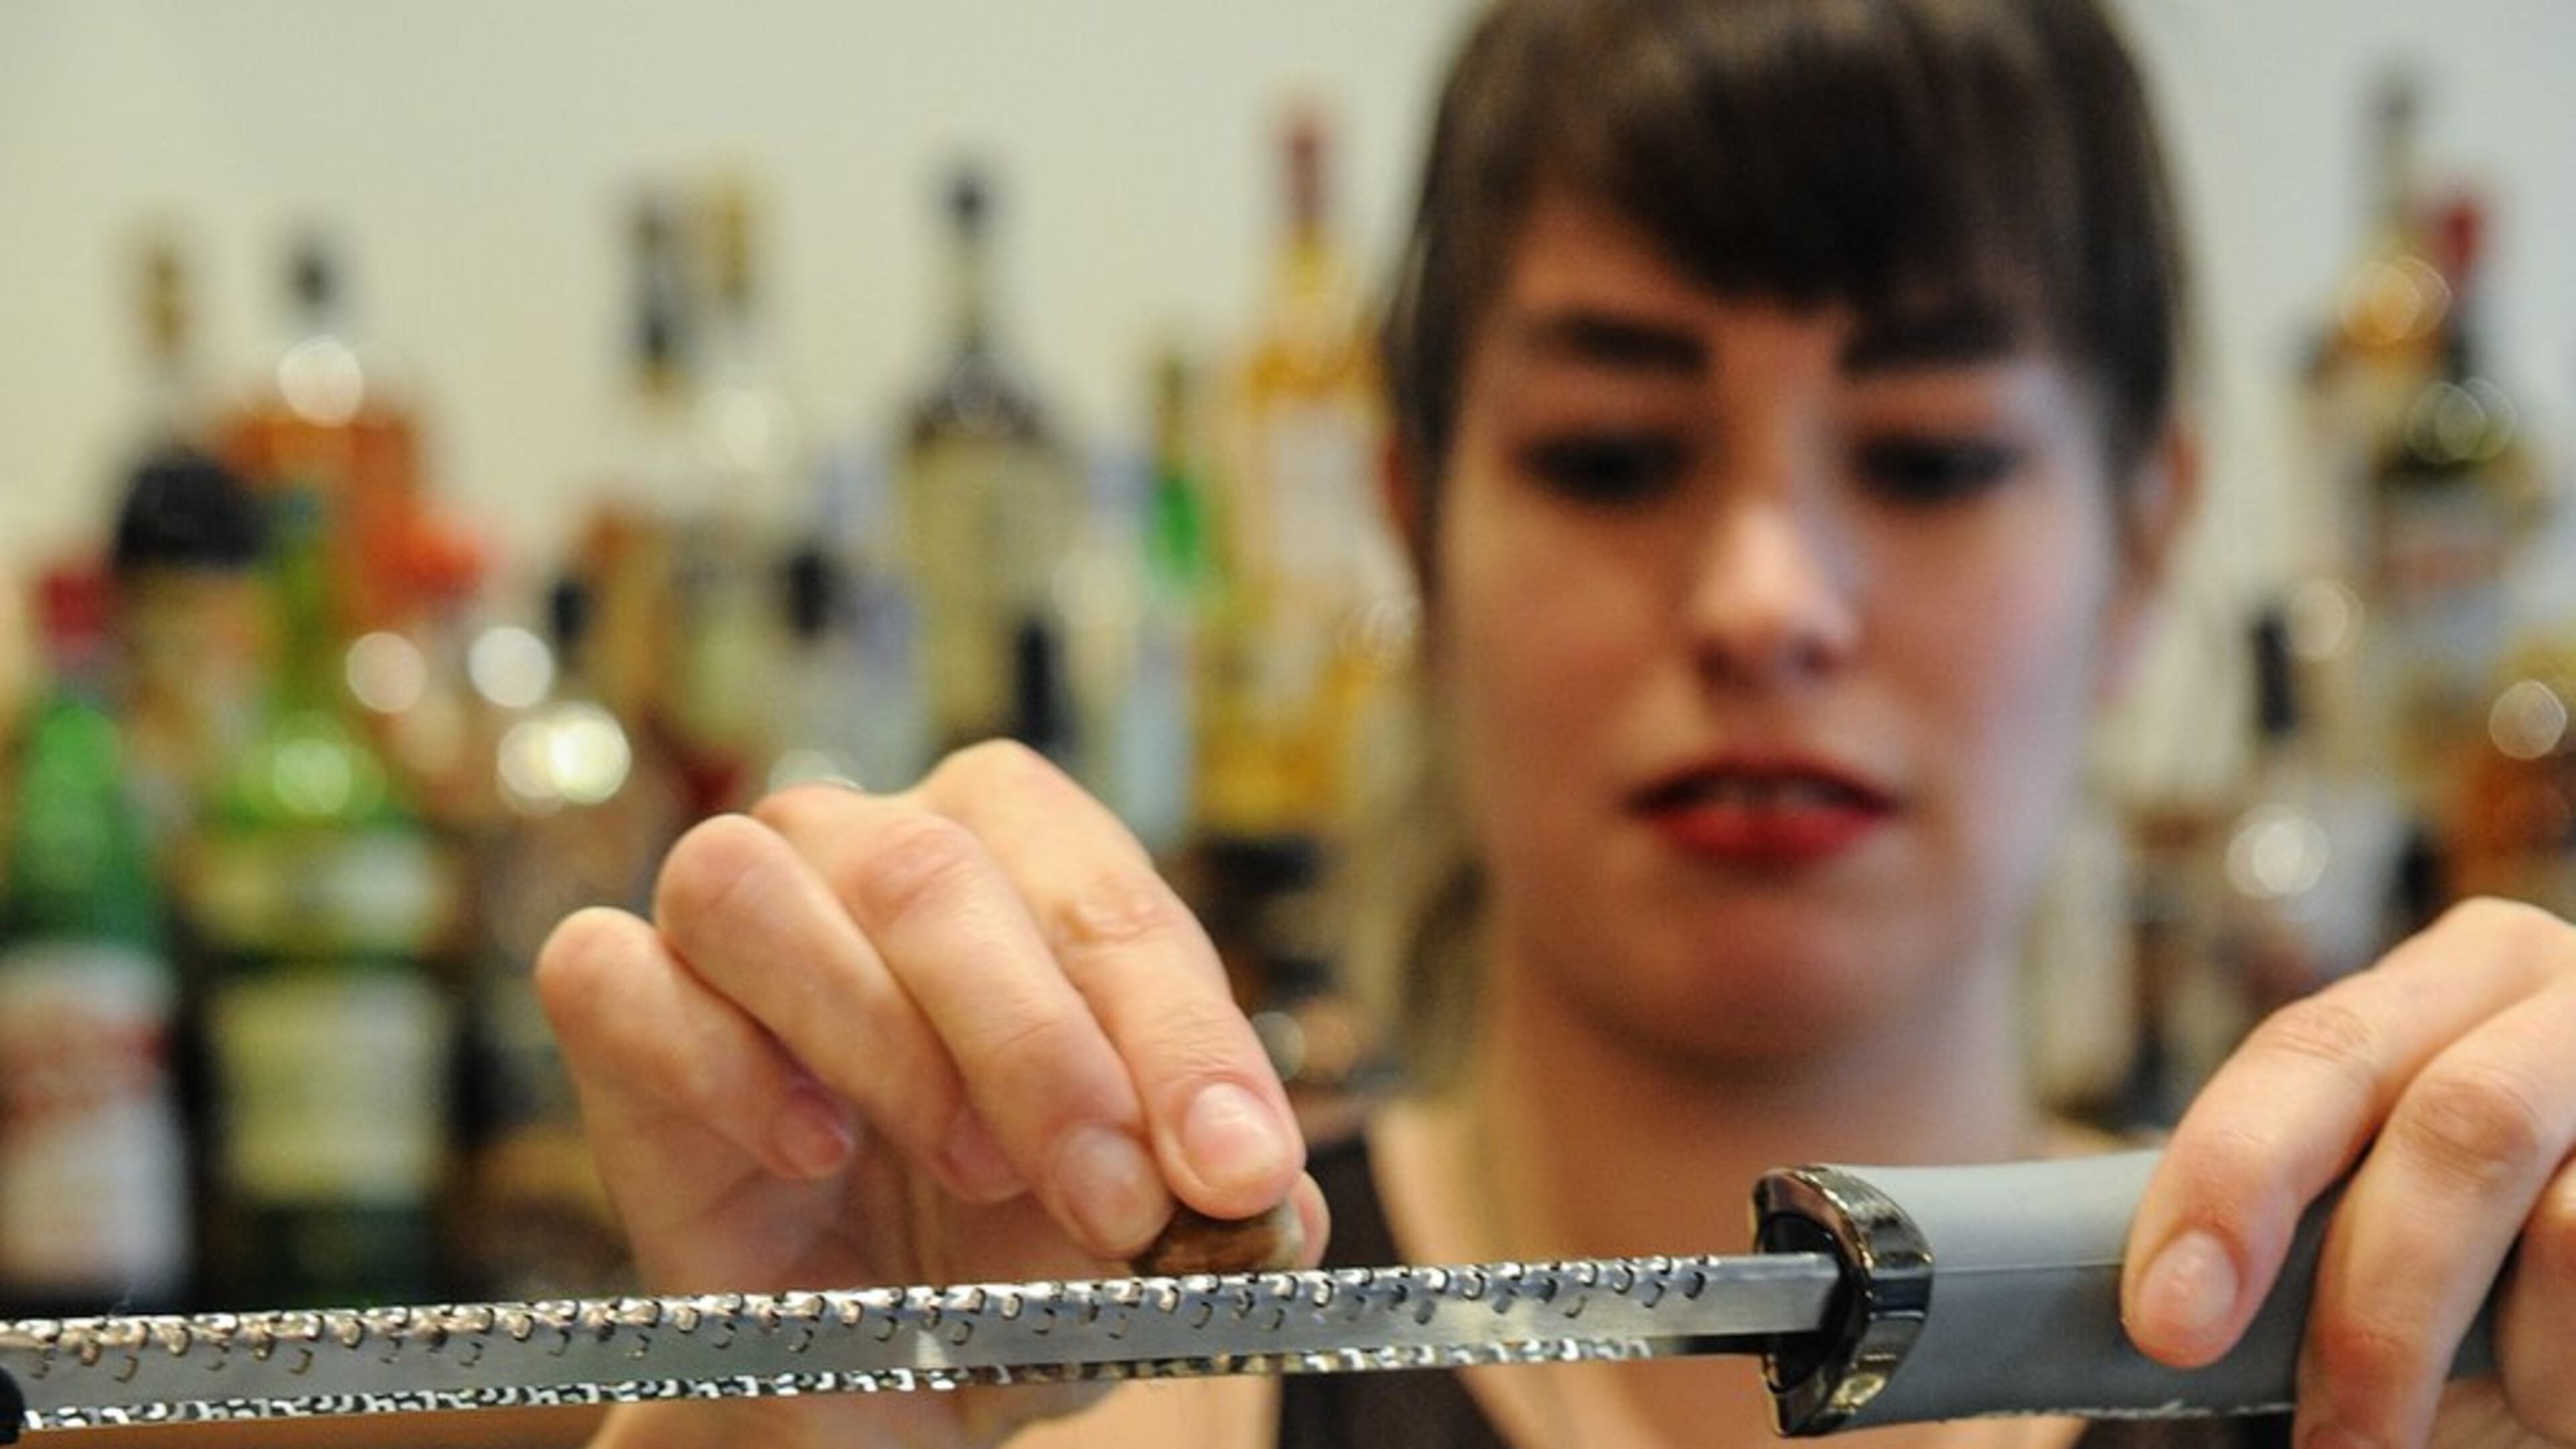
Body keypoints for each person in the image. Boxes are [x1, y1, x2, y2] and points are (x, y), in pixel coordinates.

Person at [537, 1, 2576, 1446]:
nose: (1767, 601)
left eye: (1935, 458)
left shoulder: (2416, 1377)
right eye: (1611, 455)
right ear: (1419, 524)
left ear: (2141, 547)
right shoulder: (1096, 1389)